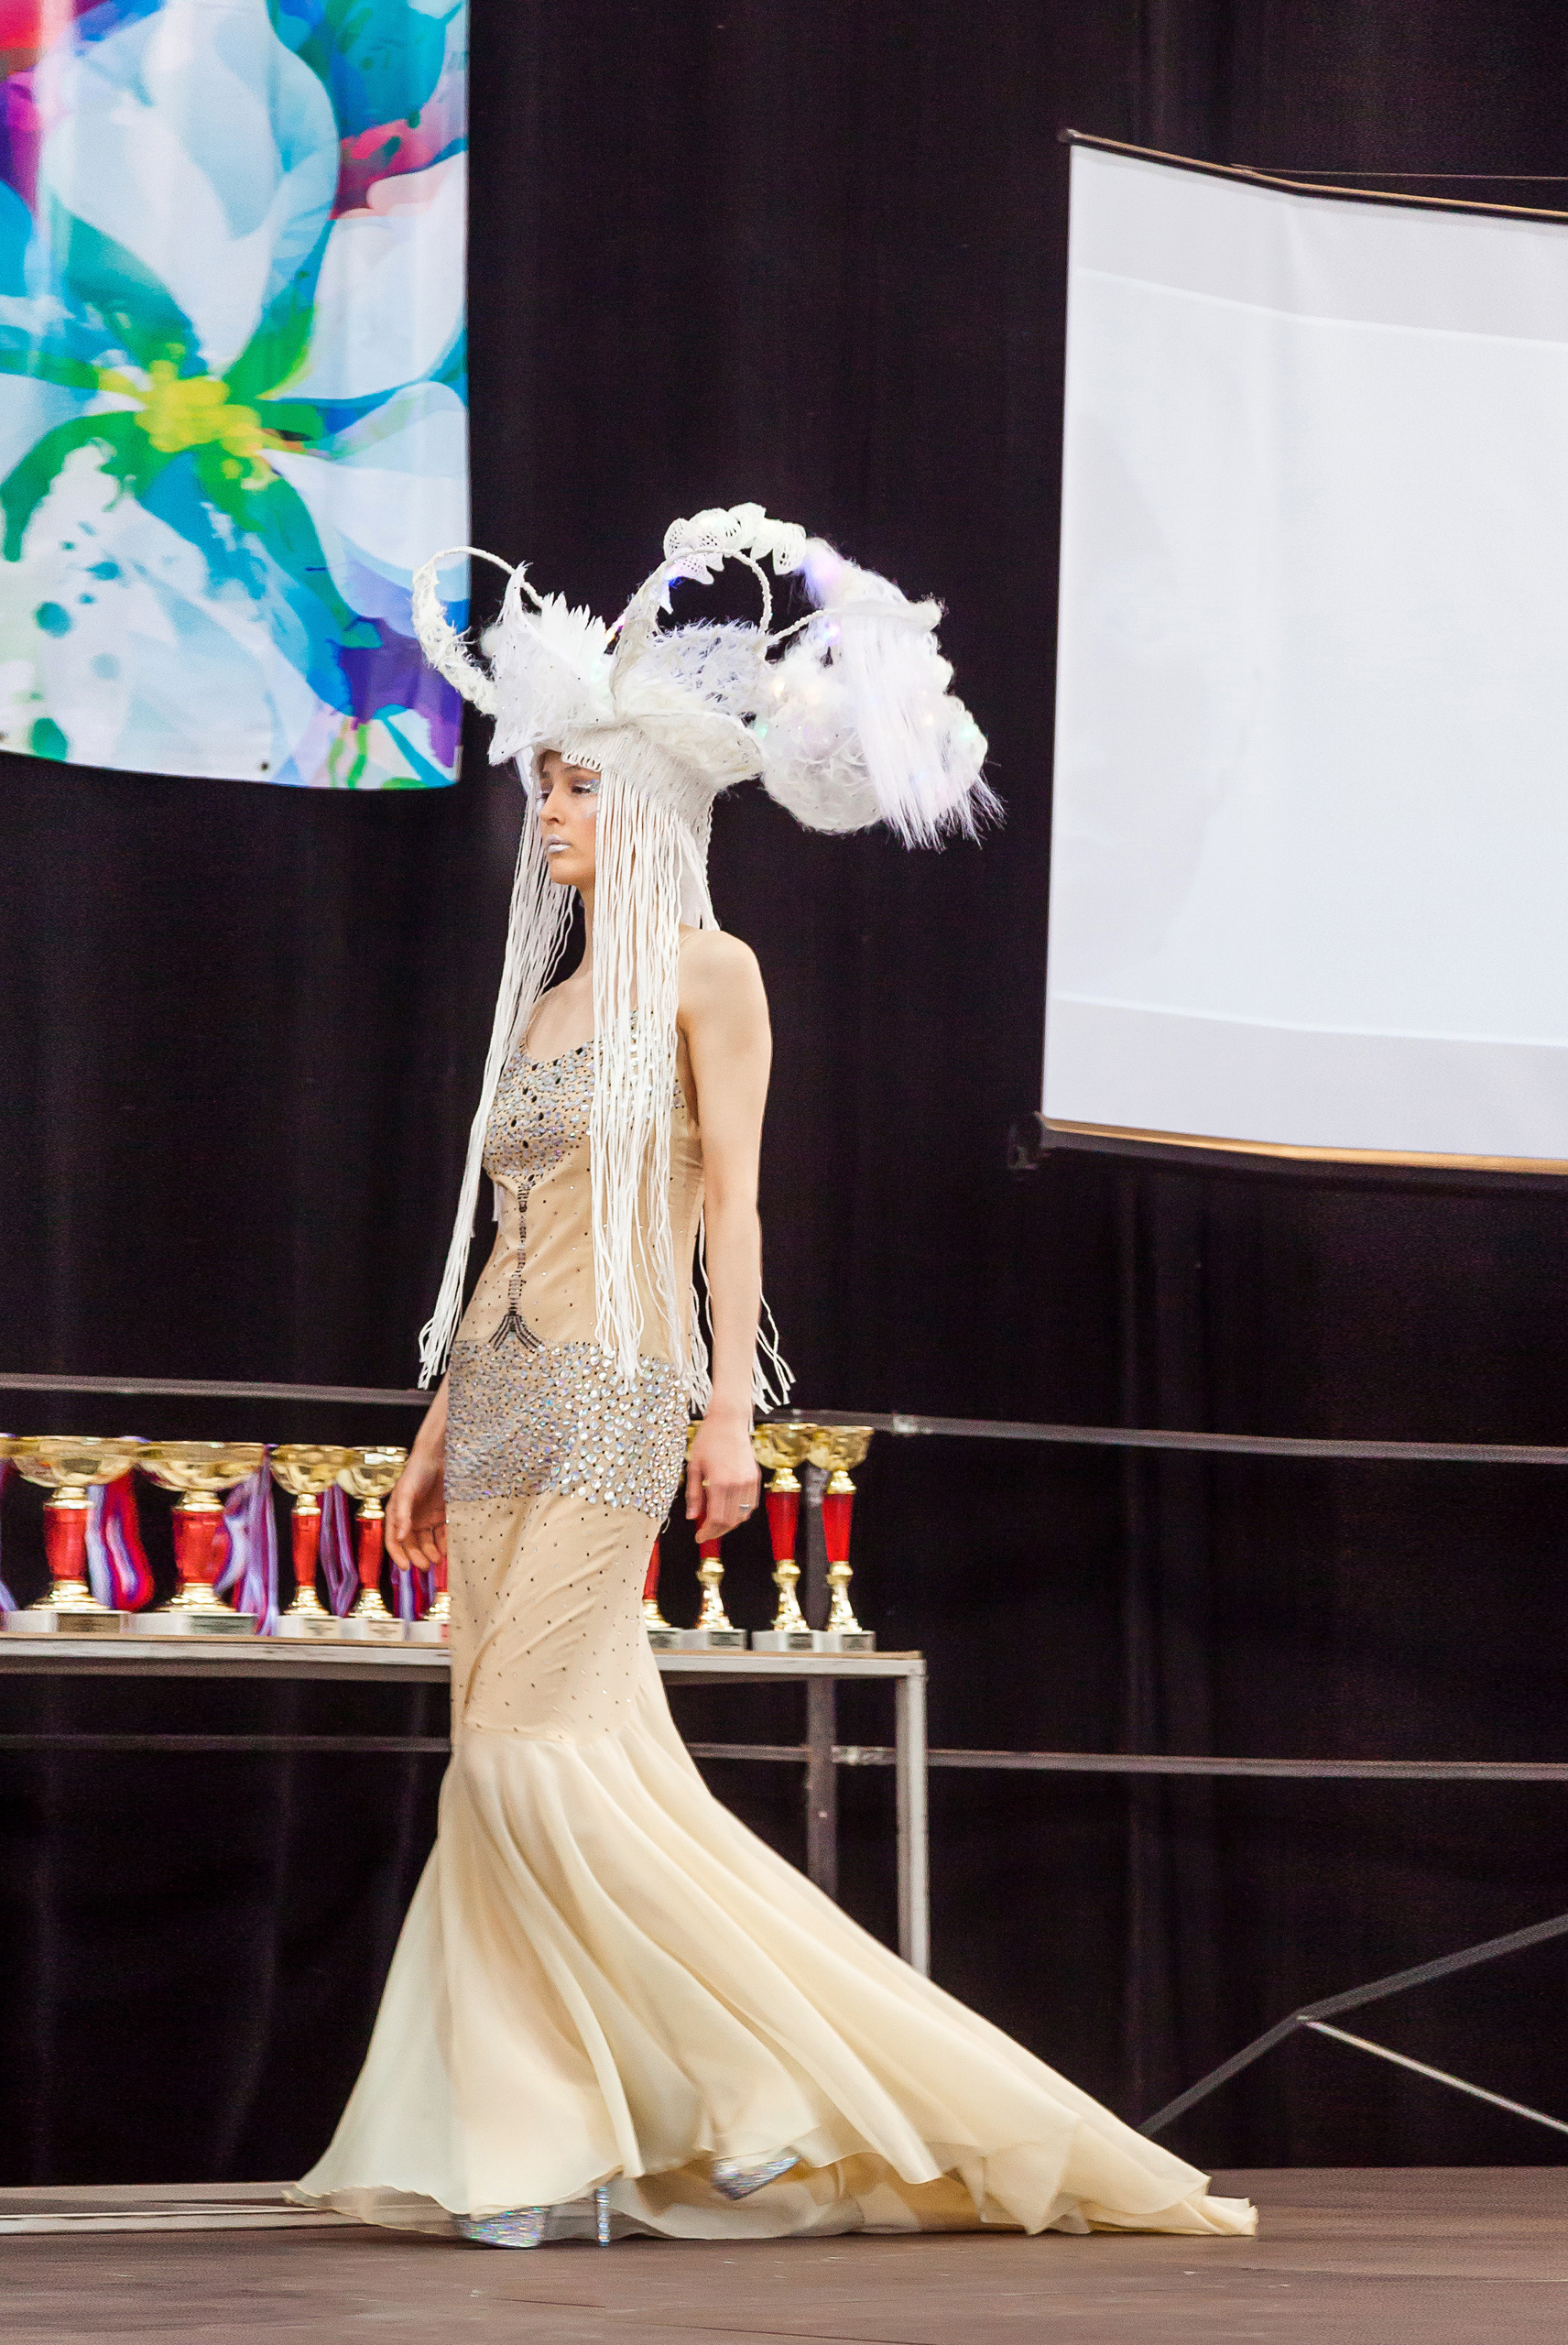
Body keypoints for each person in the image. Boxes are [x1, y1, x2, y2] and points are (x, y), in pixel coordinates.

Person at [293, 507, 1253, 2246]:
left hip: (619, 1387)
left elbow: (731, 1204)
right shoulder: (551, 1002)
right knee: (556, 1753)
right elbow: (508, 1227)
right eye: (546, 789)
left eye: (578, 789)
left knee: (520, 1757)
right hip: (506, 1397)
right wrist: (432, 1427)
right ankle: (605, 2125)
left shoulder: (712, 979)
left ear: (649, 801)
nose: (554, 814)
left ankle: (729, 2091)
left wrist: (735, 1407)